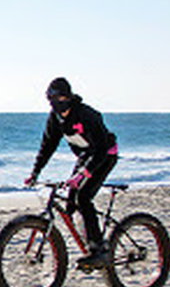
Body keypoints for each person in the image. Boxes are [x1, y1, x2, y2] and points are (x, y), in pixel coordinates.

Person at [25, 77, 119, 268]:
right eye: (50, 99)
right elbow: (47, 146)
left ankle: (97, 249)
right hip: (85, 156)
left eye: (59, 98)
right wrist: (35, 172)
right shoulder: (55, 118)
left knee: (83, 196)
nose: (55, 103)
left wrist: (82, 174)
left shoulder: (87, 115)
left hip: (105, 155)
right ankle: (90, 234)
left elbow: (101, 149)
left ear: (68, 97)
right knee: (70, 204)